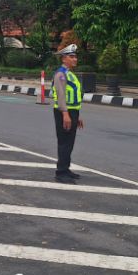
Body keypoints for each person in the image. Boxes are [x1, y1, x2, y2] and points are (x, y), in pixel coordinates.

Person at [52, 44, 84, 181]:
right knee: (64, 142)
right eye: (71, 57)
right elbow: (61, 96)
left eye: (75, 56)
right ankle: (61, 173)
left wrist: (77, 116)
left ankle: (66, 168)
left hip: (72, 112)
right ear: (64, 59)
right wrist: (66, 115)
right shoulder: (61, 75)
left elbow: (74, 97)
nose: (75, 59)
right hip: (63, 113)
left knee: (70, 142)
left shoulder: (70, 75)